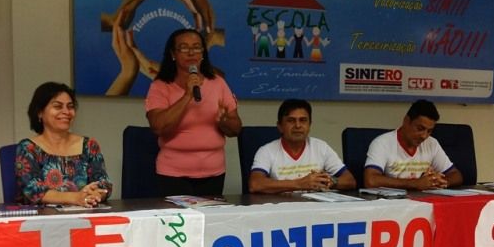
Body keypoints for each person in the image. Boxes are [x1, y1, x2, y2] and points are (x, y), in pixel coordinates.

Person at [145, 28, 242, 196]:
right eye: (184, 48)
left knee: (211, 214)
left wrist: (224, 121)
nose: (191, 52)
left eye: (196, 47)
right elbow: (158, 127)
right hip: (173, 174)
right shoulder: (160, 86)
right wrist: (187, 95)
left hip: (214, 172)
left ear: (203, 53)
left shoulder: (218, 83)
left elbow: (236, 129)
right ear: (173, 54)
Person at [15, 82, 111, 207]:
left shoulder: (89, 145)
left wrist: (96, 195)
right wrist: (76, 198)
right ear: (39, 112)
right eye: (58, 106)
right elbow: (32, 190)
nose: (66, 111)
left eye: (70, 107)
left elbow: (104, 183)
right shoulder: (28, 148)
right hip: (42, 217)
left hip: (85, 213)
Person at [248, 99, 356, 194]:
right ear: (280, 126)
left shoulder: (321, 147)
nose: (298, 126)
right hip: (282, 207)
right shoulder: (266, 151)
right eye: (291, 120)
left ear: (309, 125)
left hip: (316, 207)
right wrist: (300, 184)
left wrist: (330, 181)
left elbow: (350, 181)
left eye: (303, 120)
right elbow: (255, 184)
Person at [364, 99, 463, 189]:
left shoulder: (432, 143)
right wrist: (414, 184)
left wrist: (439, 181)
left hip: (423, 199)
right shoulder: (382, 143)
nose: (424, 136)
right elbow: (370, 180)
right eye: (420, 129)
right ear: (406, 121)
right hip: (394, 201)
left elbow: (456, 175)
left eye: (429, 131)